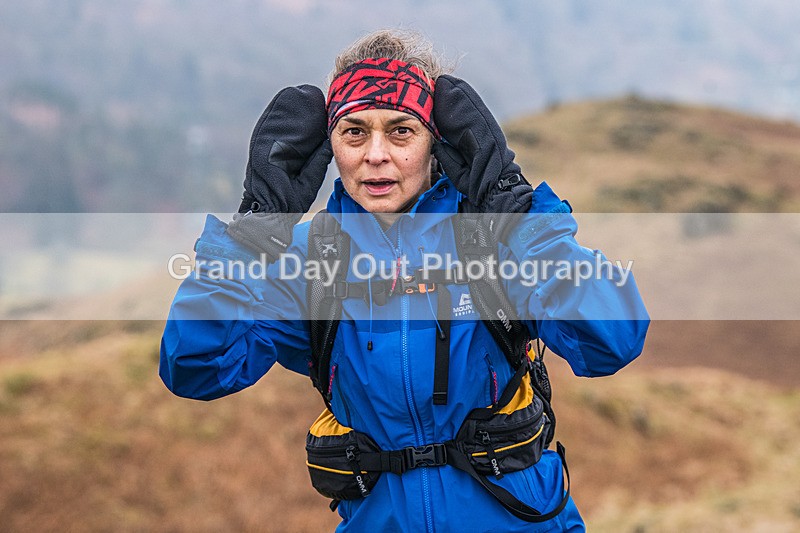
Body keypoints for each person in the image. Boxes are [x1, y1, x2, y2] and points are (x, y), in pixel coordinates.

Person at [160, 29, 649, 532]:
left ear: (435, 141)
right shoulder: (310, 263)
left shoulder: (494, 240)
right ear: (330, 147)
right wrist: (253, 233)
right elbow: (193, 366)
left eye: (400, 131)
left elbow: (612, 339)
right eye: (354, 132)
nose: (375, 154)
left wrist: (517, 213)